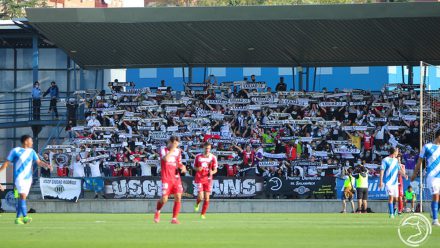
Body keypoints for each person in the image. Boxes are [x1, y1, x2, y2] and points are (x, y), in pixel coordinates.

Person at [0, 135, 52, 224]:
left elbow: (38, 162)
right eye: (30, 140)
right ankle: (25, 217)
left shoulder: (32, 152)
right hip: (19, 178)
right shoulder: (15, 151)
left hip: (28, 179)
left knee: (21, 198)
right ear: (25, 141)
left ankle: (17, 218)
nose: (32, 142)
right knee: (22, 196)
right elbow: (6, 164)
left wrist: (46, 165)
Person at [154, 136, 187, 224]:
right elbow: (165, 159)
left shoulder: (178, 151)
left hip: (176, 177)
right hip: (166, 177)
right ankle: (157, 211)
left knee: (178, 196)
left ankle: (174, 219)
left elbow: (179, 163)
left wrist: (183, 167)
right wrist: (172, 150)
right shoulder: (163, 149)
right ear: (170, 143)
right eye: (175, 144)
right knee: (164, 199)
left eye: (177, 144)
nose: (176, 146)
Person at [411, 129, 440, 226]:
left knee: (438, 197)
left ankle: (434, 211)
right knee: (435, 195)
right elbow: (420, 161)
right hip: (432, 176)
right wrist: (415, 173)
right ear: (438, 136)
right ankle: (435, 220)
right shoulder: (427, 147)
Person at [193, 142, 218, 219]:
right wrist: (198, 169)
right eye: (206, 148)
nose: (207, 150)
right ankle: (197, 204)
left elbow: (215, 170)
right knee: (200, 197)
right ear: (203, 148)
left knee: (207, 198)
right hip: (200, 178)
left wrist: (212, 172)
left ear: (210, 149)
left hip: (208, 179)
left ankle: (202, 214)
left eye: (209, 148)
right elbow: (194, 167)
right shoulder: (198, 157)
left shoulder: (213, 157)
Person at [380, 147, 406, 219]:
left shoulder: (396, 160)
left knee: (396, 199)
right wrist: (381, 181)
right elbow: (382, 170)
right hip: (389, 183)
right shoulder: (385, 160)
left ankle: (393, 210)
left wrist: (404, 175)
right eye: (397, 151)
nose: (398, 152)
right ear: (394, 152)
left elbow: (398, 170)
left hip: (395, 183)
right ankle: (391, 214)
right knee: (391, 197)